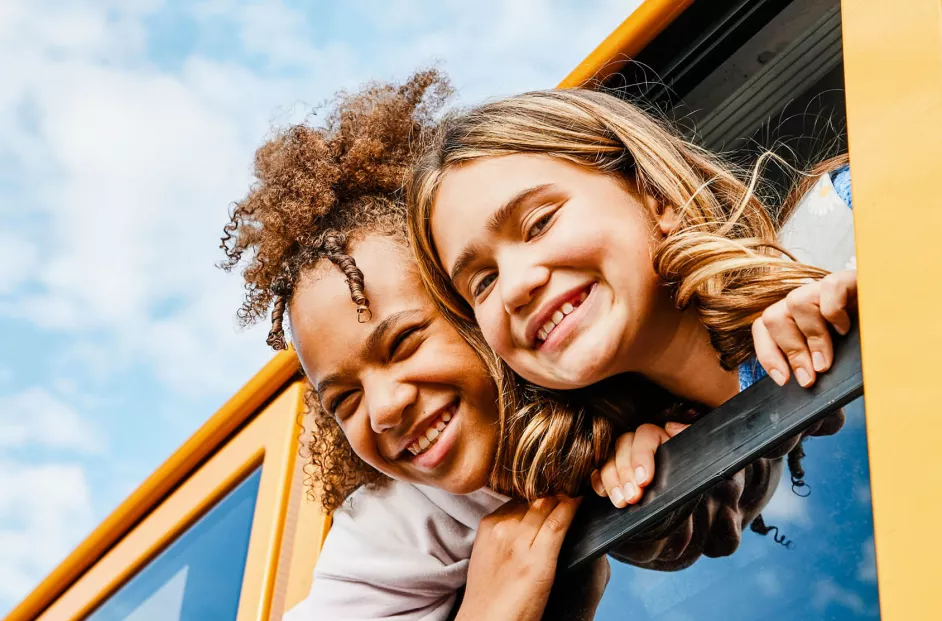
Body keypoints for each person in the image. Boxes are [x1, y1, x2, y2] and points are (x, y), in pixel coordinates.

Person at [220, 72, 788, 621]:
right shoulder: (400, 524)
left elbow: (748, 436)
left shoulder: (607, 349)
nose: (385, 406)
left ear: (469, 313)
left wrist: (684, 477)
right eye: (342, 400)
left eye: (404, 343)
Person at [407, 88, 855, 506]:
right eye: (482, 282)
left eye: (540, 223)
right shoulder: (654, 468)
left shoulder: (848, 215)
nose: (514, 287)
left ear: (655, 197)